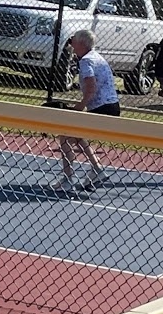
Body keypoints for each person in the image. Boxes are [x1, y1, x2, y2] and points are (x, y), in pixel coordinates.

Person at [50, 29, 120, 192]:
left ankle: (68, 179)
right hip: (111, 107)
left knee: (65, 136)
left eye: (73, 40)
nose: (71, 43)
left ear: (81, 43)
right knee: (77, 134)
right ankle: (97, 169)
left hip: (102, 108)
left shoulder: (86, 61)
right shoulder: (96, 57)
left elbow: (91, 87)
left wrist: (80, 107)